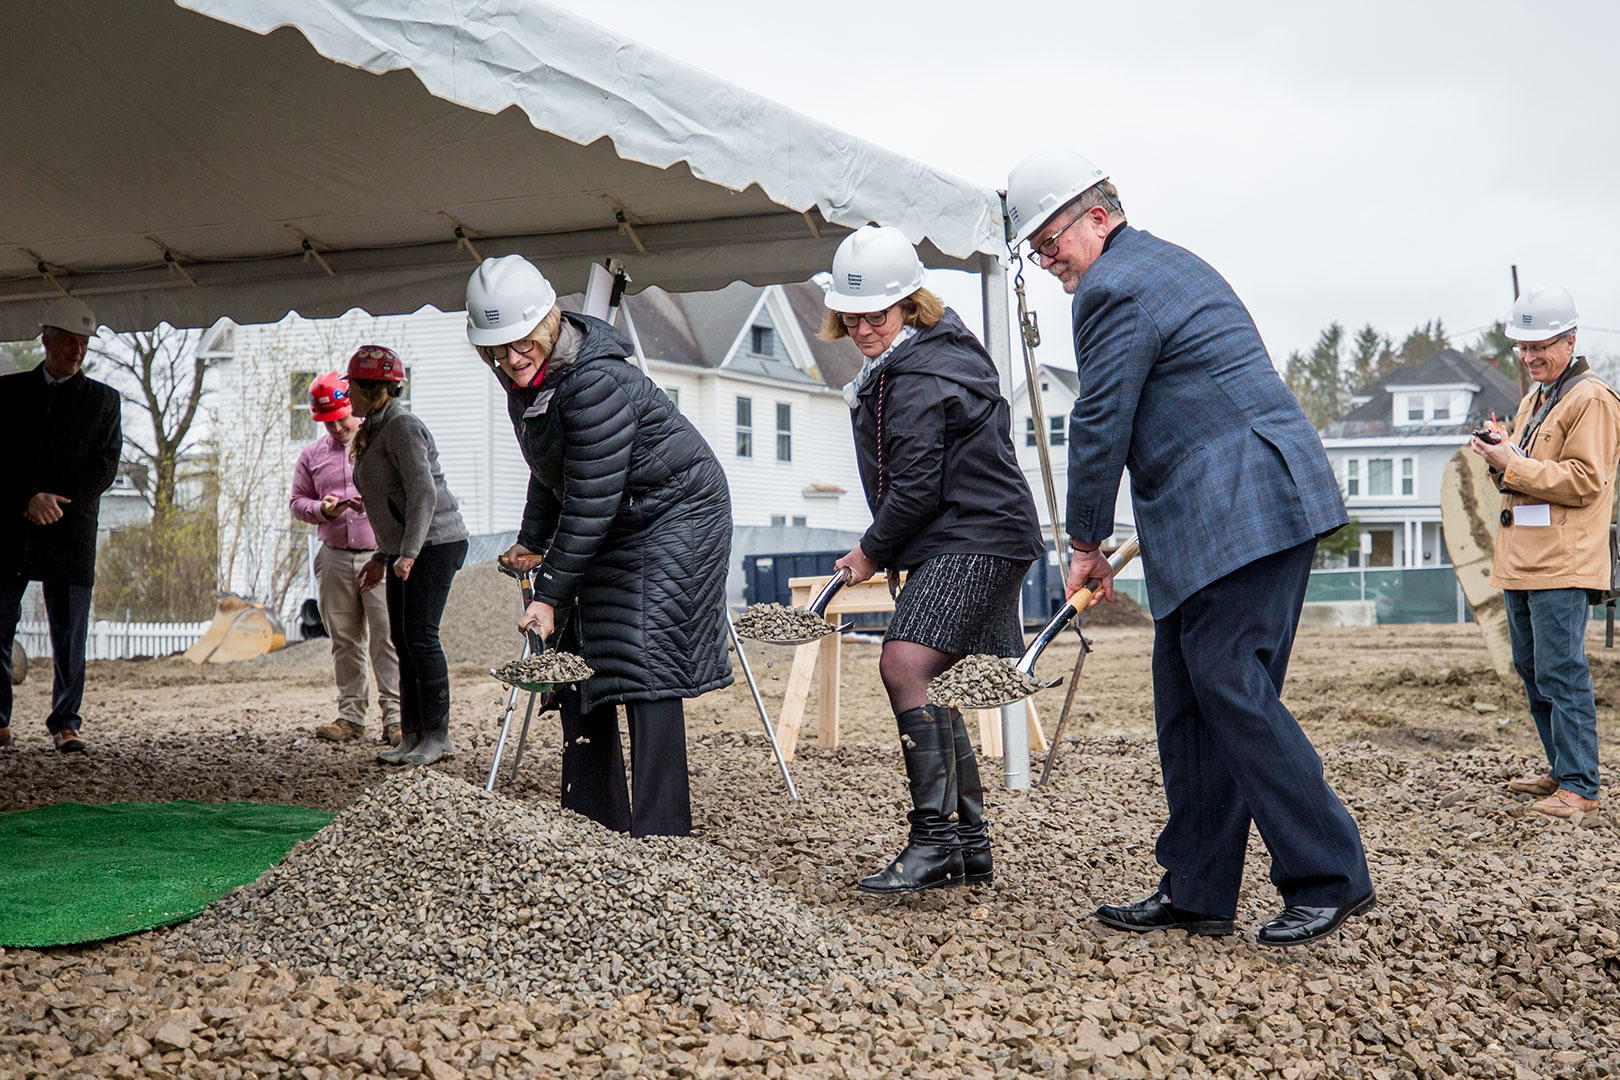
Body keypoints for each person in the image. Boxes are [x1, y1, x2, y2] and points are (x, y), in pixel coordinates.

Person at [1006, 149, 1373, 946]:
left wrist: (1083, 544)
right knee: (1190, 694)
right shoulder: (1162, 266)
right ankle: (1199, 889)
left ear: (1099, 216)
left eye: (1051, 241)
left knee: (1229, 687)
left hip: (1243, 506)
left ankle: (1329, 874)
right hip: (1240, 505)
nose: (1048, 261)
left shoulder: (1112, 288)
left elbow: (1099, 420)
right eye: (1035, 251)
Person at [464, 255, 733, 838]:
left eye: (521, 341)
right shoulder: (531, 385)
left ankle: (663, 836)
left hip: (675, 513)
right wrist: (532, 541)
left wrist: (550, 592)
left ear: (546, 323)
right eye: (498, 349)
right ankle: (593, 827)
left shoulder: (596, 381)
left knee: (644, 652)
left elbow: (590, 499)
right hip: (618, 509)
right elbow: (552, 470)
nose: (511, 358)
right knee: (578, 650)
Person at [817, 226, 1045, 894]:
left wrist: (867, 553)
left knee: (904, 661)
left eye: (876, 315)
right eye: (851, 315)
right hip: (974, 534)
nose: (861, 327)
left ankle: (934, 843)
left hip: (976, 537)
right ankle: (969, 847)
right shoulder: (918, 360)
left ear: (910, 305)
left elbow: (916, 487)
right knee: (933, 676)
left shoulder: (921, 375)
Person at [1471, 286, 1619, 820]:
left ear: (1571, 339)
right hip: (1524, 558)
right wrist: (1498, 456)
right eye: (1521, 348)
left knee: (1562, 670)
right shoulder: (1537, 397)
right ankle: (1562, 768)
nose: (1530, 357)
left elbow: (1585, 480)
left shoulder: (1592, 399)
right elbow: (1524, 475)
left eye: (1541, 347)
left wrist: (1511, 462)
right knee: (1533, 668)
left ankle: (1580, 786)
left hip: (1562, 561)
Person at [0, 297, 121, 754]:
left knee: (70, 635)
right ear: (46, 339)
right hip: (12, 528)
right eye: (68, 341)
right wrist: (26, 499)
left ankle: (66, 721)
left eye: (83, 343)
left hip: (70, 532)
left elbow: (104, 467)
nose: (76, 351)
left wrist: (56, 504)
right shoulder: (7, 394)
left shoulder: (104, 401)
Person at [344, 346, 469, 767]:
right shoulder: (377, 428)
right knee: (402, 639)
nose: (348, 397)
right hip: (406, 549)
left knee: (420, 638)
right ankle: (412, 735)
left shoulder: (403, 426)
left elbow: (423, 493)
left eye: (352, 389)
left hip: (434, 544)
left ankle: (438, 736)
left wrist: (409, 552)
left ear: (370, 390)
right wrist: (384, 555)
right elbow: (394, 498)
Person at [289, 372, 402, 746]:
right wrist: (321, 509)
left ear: (354, 407)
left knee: (386, 638)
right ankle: (351, 716)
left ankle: (396, 719)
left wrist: (370, 505)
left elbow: (404, 492)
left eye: (342, 418)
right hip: (335, 556)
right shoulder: (311, 456)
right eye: (328, 422)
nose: (337, 428)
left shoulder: (381, 443)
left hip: (380, 554)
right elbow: (297, 503)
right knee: (344, 640)